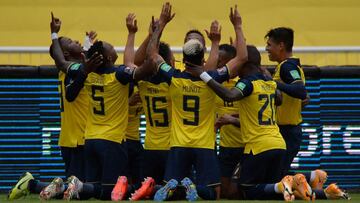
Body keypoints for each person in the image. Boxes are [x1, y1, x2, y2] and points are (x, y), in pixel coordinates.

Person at [148, 5, 247, 201]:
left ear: (182, 59)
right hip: (204, 144)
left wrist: (160, 25)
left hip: (178, 143)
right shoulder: (212, 78)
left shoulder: (174, 77)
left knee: (172, 192)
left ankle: (183, 189)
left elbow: (152, 54)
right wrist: (237, 26)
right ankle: (192, 188)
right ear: (203, 57)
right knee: (213, 193)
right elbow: (242, 57)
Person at [7, 14, 97, 201]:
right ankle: (32, 184)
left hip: (71, 136)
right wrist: (54, 35)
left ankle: (31, 183)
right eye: (72, 42)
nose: (76, 41)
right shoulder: (70, 68)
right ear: (64, 54)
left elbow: (78, 63)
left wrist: (87, 45)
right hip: (78, 137)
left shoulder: (71, 69)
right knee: (79, 191)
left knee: (77, 189)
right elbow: (63, 60)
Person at [214, 44, 245, 199]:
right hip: (226, 146)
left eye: (222, 61)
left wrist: (231, 119)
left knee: (236, 193)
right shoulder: (215, 85)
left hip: (245, 145)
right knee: (224, 192)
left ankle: (303, 178)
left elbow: (252, 116)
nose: (218, 64)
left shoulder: (243, 84)